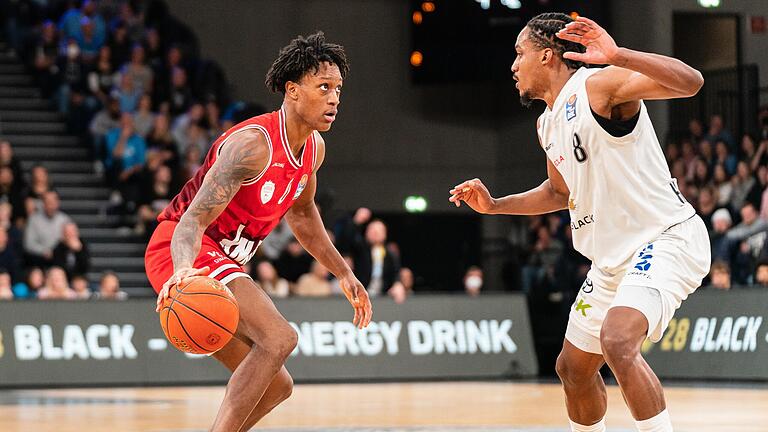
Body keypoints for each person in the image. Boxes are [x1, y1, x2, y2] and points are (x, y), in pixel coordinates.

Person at [449, 14, 709, 432]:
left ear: (547, 55)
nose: (513, 66)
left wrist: (620, 55)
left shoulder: (596, 86)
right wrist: (495, 205)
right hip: (611, 260)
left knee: (619, 341)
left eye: (519, 54)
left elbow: (691, 82)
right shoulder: (546, 123)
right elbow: (557, 192)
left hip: (665, 238)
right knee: (573, 369)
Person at [144, 32, 372, 431]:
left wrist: (343, 272)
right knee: (280, 338)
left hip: (221, 258)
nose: (335, 98)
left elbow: (302, 216)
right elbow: (191, 220)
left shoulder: (313, 149)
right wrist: (182, 271)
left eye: (338, 88)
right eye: (324, 87)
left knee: (277, 386)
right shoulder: (252, 146)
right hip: (183, 250)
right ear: (293, 91)